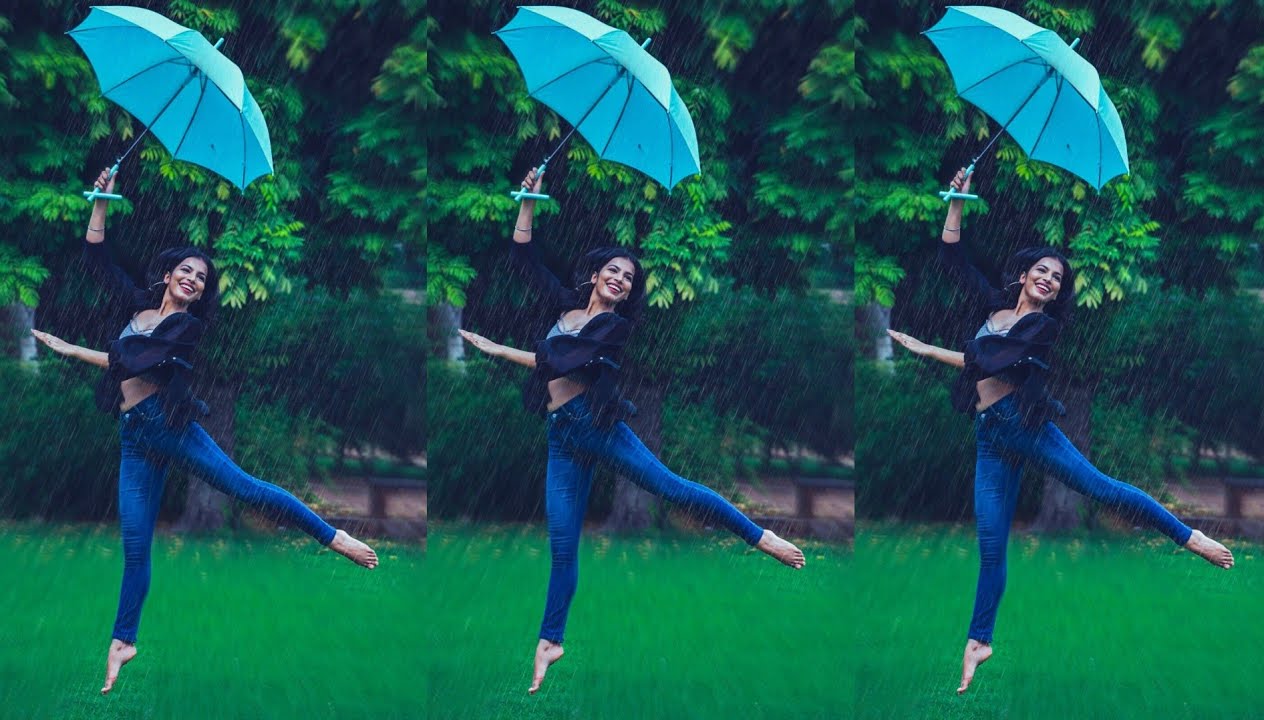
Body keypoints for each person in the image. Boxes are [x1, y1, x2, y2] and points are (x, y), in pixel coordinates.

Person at [31, 168, 379, 696]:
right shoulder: (139, 307)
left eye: (202, 279)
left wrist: (75, 350)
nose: (193, 279)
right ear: (169, 273)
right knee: (135, 545)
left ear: (199, 293)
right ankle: (124, 640)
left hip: (169, 428)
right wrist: (101, 198)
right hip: (133, 436)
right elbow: (97, 256)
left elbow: (131, 358)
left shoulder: (186, 328)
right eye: (187, 270)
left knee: (245, 488)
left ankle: (335, 538)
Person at [458, 168, 806, 695]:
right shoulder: (566, 306)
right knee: (562, 546)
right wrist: (528, 197)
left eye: (629, 279)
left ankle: (761, 537)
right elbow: (524, 255)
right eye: (614, 271)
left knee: (672, 488)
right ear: (596, 274)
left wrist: (502, 350)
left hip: (596, 428)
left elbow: (559, 357)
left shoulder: (613, 329)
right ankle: (551, 640)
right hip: (561, 435)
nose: (621, 279)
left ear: (626, 293)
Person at [887, 167, 1234, 695]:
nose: (1049, 279)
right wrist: (957, 198)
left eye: (1057, 279)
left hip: (1025, 428)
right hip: (989, 436)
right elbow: (952, 257)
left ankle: (1189, 537)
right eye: (1042, 271)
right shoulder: (995, 306)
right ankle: (980, 640)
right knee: (990, 545)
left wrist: (929, 349)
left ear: (1055, 293)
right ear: (1025, 273)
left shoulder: (1042, 328)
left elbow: (988, 359)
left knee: (1102, 489)